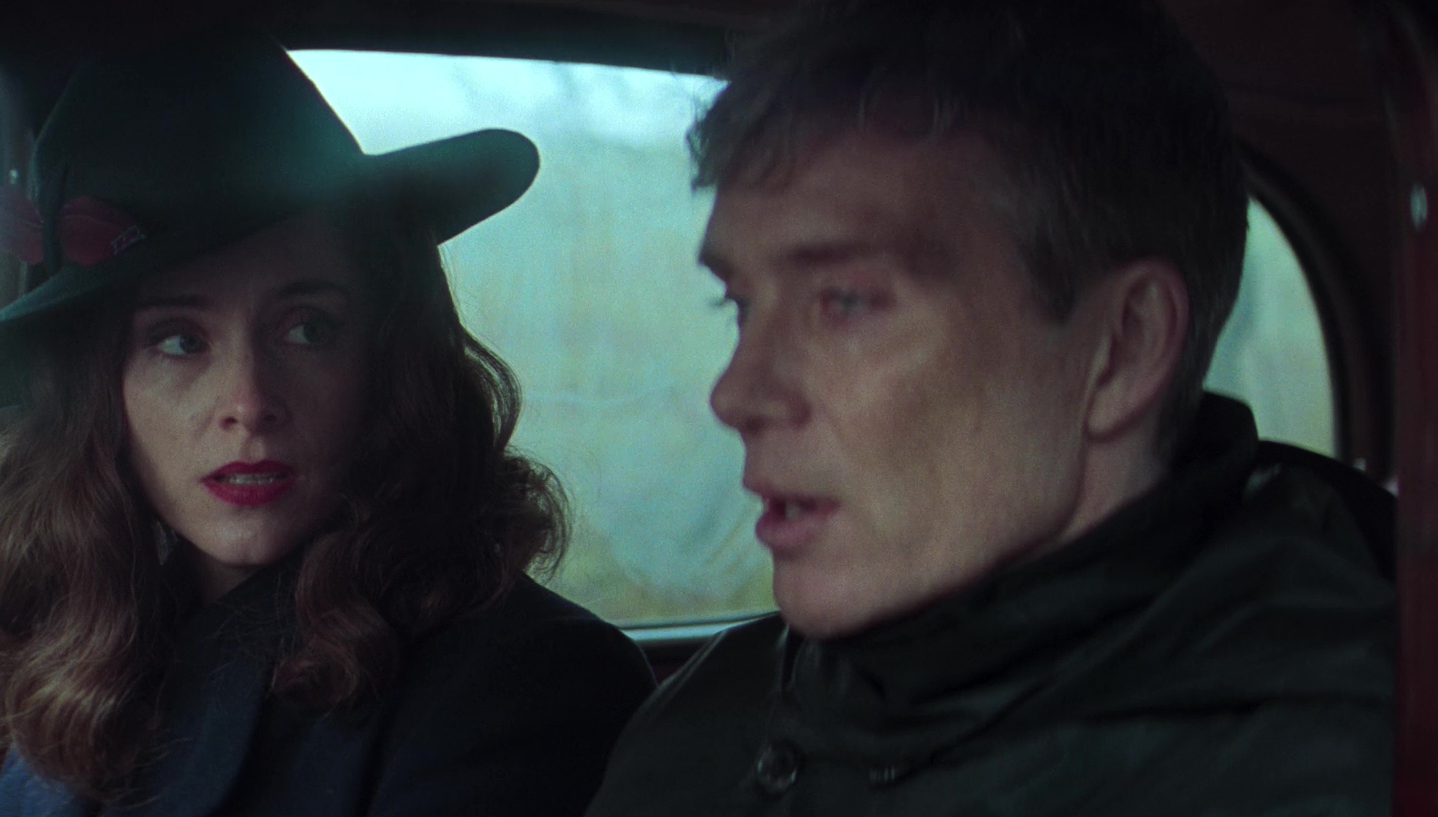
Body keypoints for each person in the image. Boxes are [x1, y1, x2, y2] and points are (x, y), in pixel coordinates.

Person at [585, 1, 1395, 814]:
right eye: (740, 304)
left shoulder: (1341, 773)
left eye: (845, 302)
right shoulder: (702, 717)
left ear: (1123, 347)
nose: (735, 394)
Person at [0, 35, 654, 817]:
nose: (250, 399)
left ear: (385, 357)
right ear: (97, 393)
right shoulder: (93, 643)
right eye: (179, 341)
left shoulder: (524, 681)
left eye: (307, 329)